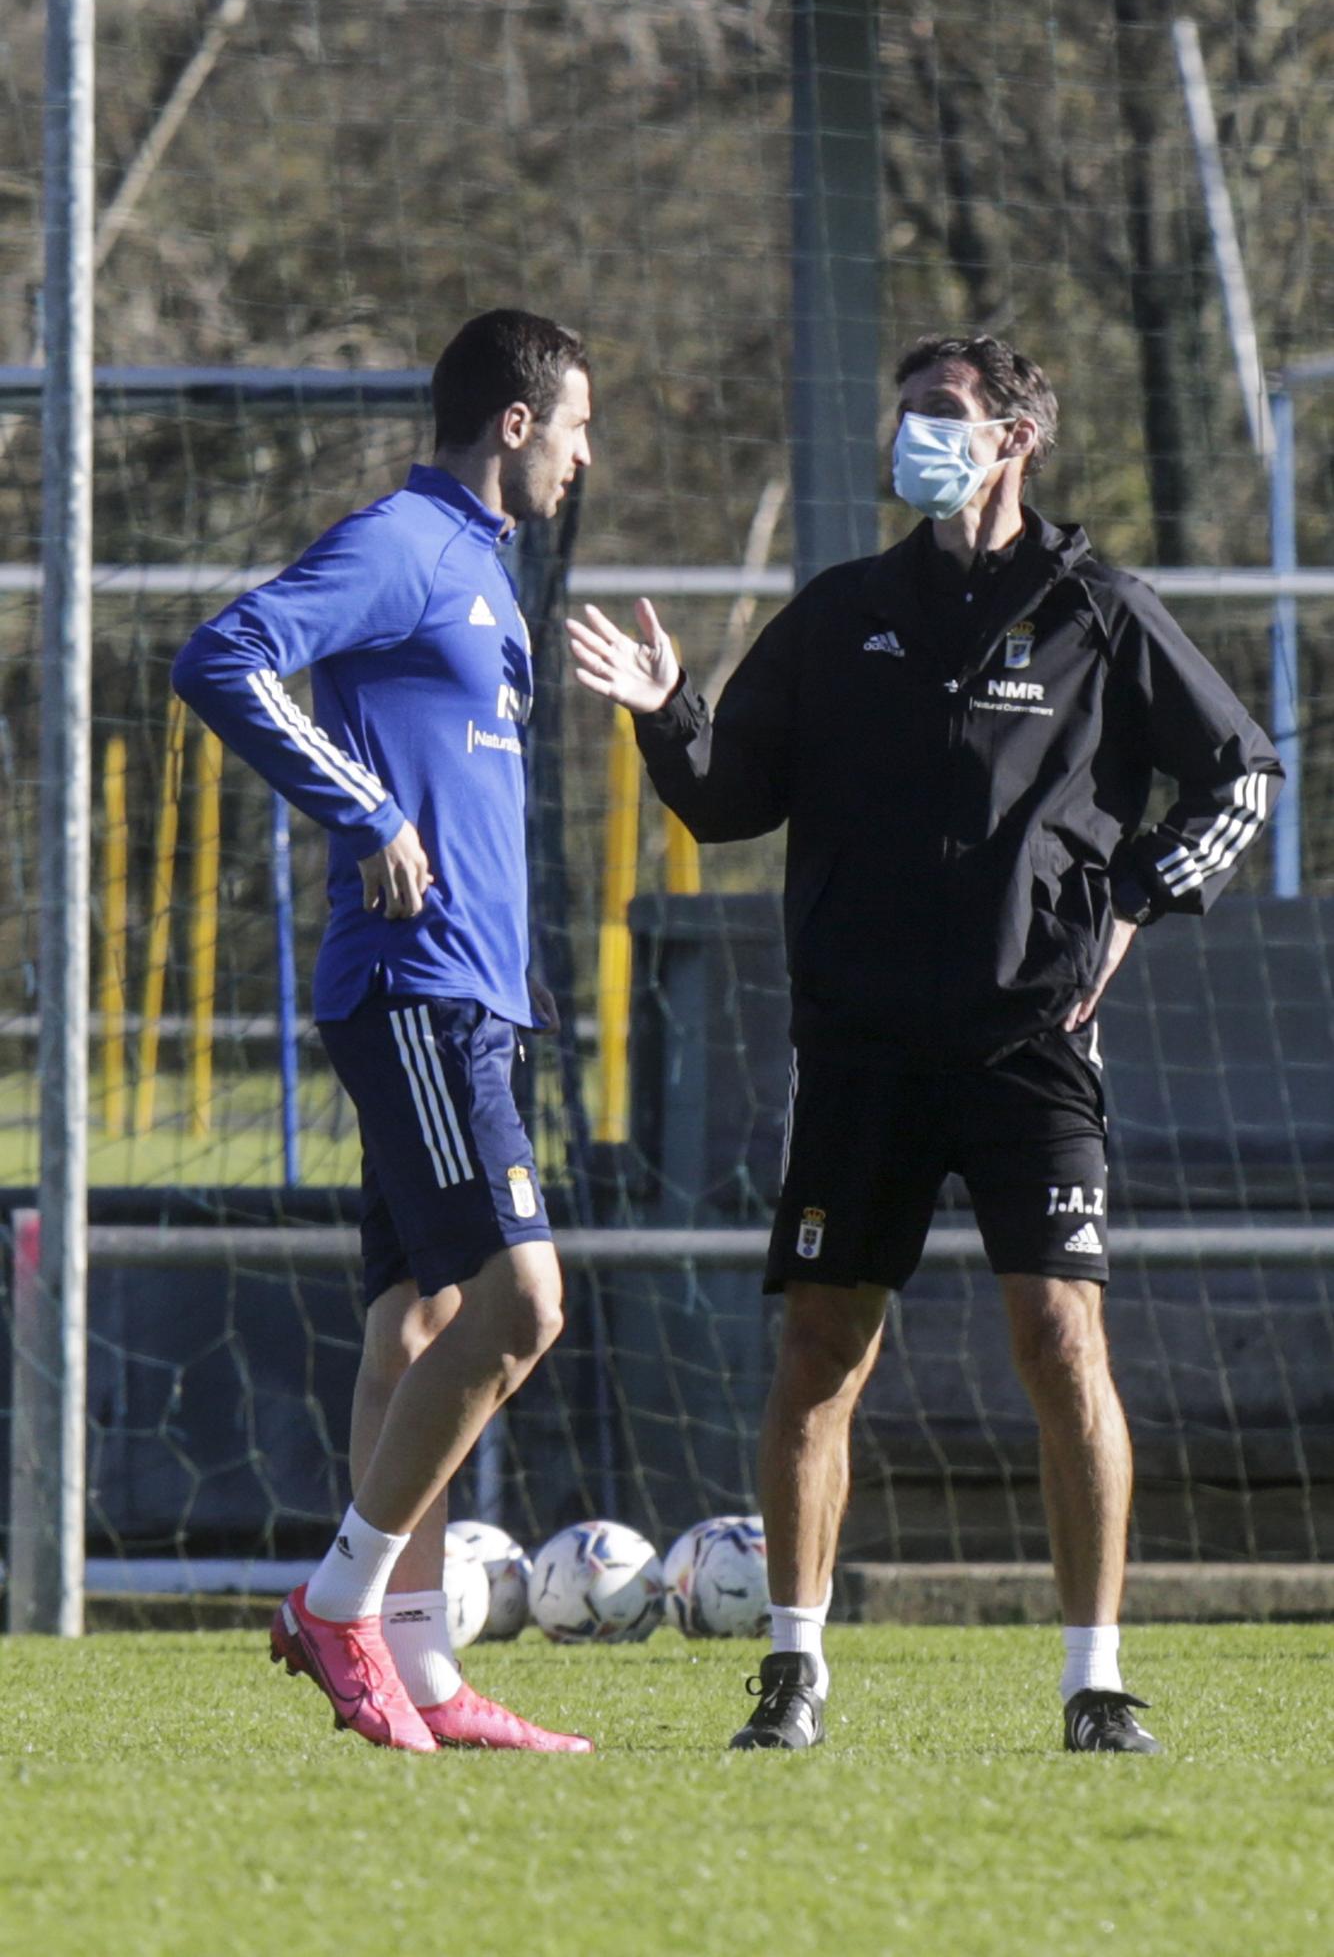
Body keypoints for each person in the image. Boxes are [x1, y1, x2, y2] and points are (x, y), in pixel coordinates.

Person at [566, 332, 1282, 1755]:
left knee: (1059, 1332)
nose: (912, 437)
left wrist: (1138, 892)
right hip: (858, 1047)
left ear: (1015, 439)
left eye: (940, 416)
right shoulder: (843, 613)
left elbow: (1244, 772)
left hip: (1030, 1042)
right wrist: (666, 715)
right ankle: (789, 1672)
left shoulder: (1101, 612)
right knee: (822, 1348)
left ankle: (1092, 1681)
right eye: (902, 414)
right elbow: (724, 803)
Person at [174, 308, 594, 1754]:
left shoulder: (483, 572)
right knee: (521, 1306)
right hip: (415, 995)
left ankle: (419, 1674)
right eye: (580, 427)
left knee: (409, 1325)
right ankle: (335, 1605)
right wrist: (359, 811)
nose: (588, 456)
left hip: (473, 998)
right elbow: (225, 655)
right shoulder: (406, 542)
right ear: (519, 423)